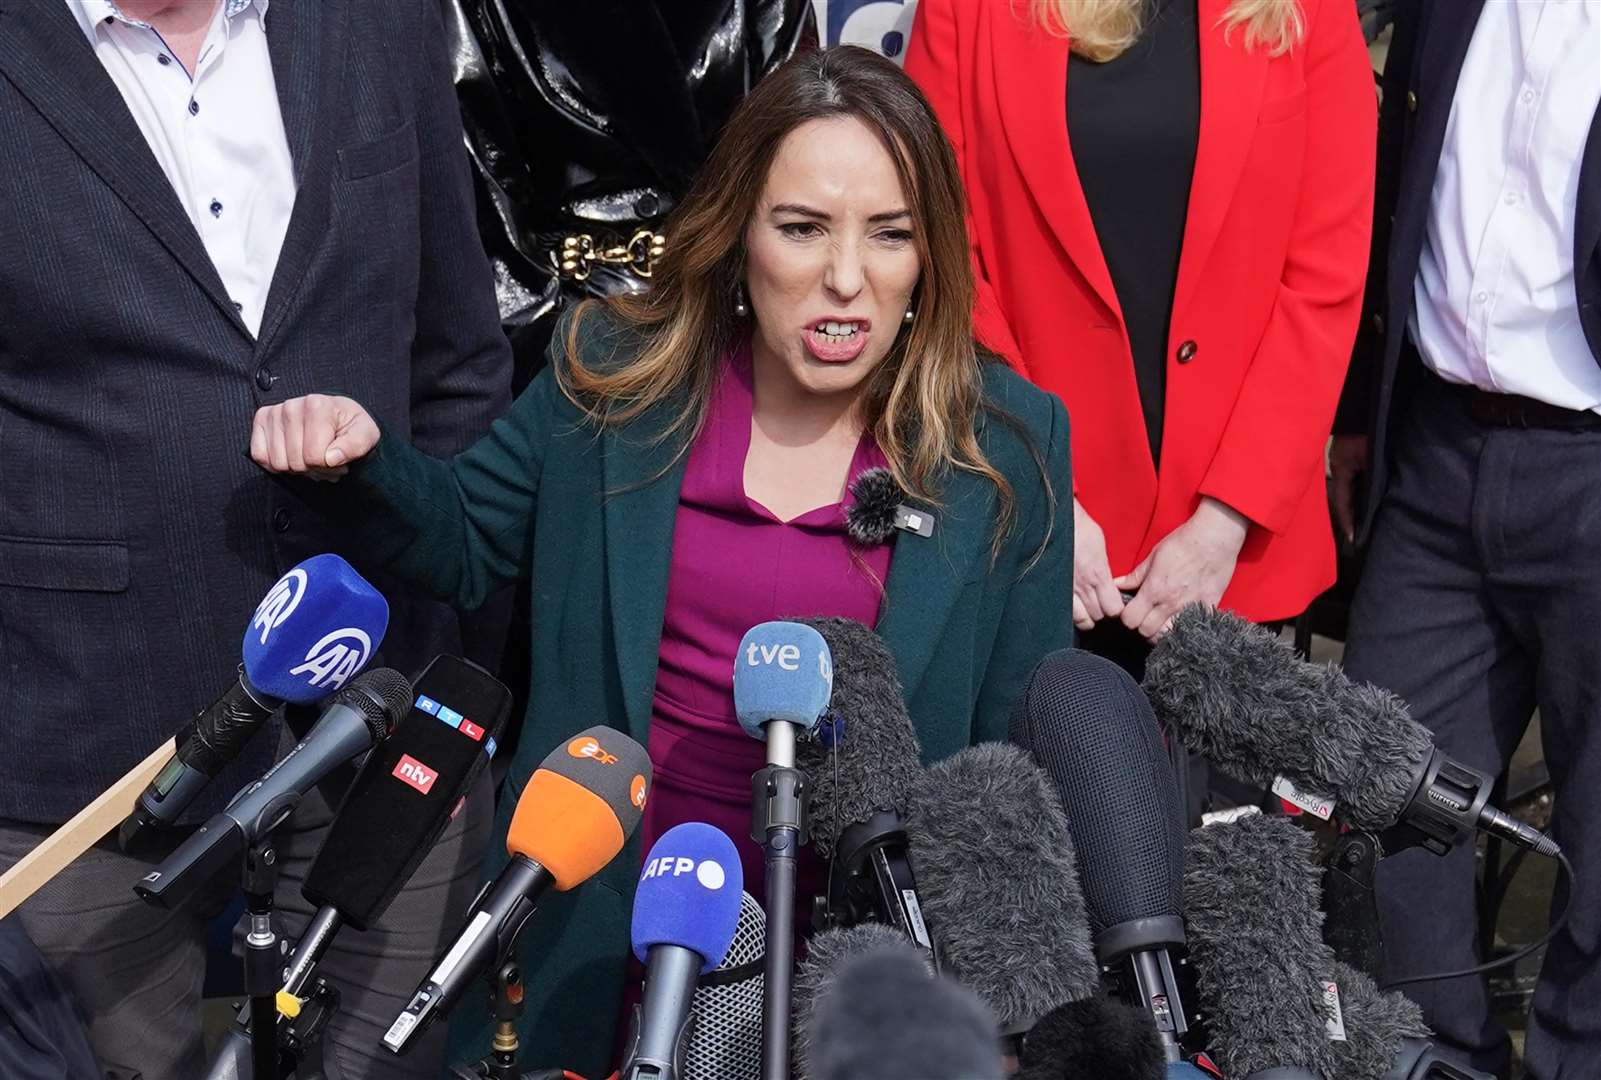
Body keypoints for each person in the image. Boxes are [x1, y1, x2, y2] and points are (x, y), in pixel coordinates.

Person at [250, 46, 1073, 1075]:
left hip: (863, 980)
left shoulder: (1006, 447)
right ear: (737, 234)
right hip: (599, 939)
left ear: (930, 256)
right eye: (802, 228)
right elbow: (460, 544)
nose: (847, 279)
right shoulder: (613, 380)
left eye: (890, 236)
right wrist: (358, 462)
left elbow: (1013, 776)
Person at [0, 1, 510, 1077]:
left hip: (383, 718)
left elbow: (460, 357)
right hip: (80, 748)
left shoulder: (381, 20)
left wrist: (452, 624)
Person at [904, 0, 1375, 671]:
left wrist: (1223, 525)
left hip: (1235, 557)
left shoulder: (1310, 10)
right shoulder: (964, 12)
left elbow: (1325, 277)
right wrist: (1041, 497)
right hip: (1035, 547)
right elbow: (945, 258)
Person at [1330, 2, 1601, 1076]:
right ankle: (1430, 1064)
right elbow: (1390, 177)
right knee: (1380, 827)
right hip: (1434, 455)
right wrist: (1357, 406)